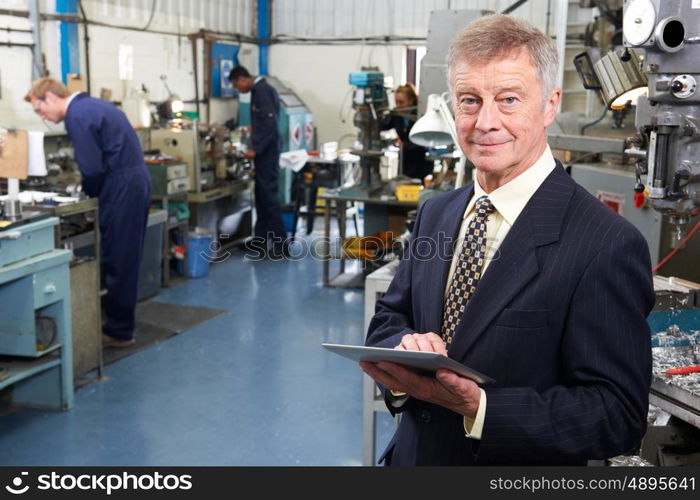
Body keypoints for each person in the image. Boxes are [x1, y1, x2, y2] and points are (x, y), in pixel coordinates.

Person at [361, 14, 654, 466]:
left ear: (550, 104)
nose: (485, 123)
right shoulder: (437, 213)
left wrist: (480, 408)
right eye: (470, 100)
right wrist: (402, 361)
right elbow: (390, 316)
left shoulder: (606, 243)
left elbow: (616, 415)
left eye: (509, 99)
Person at [26, 78, 152, 348]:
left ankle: (120, 331)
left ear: (49, 97)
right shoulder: (93, 106)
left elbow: (92, 169)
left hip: (121, 185)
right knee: (122, 255)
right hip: (131, 180)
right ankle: (118, 322)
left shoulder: (77, 116)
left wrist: (89, 193)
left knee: (119, 258)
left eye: (40, 110)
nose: (43, 117)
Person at [229, 66, 289, 258]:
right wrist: (251, 128)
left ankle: (281, 245)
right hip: (266, 150)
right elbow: (264, 120)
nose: (238, 89)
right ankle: (260, 241)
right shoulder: (259, 90)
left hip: (268, 152)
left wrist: (255, 149)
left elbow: (270, 124)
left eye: (236, 85)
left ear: (242, 79)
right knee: (261, 197)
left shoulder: (262, 90)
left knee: (268, 198)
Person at [382, 83, 434, 181]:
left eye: (401, 102)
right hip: (403, 161)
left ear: (411, 101)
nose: (398, 105)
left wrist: (404, 144)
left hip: (419, 162)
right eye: (396, 102)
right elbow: (384, 128)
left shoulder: (421, 115)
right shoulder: (396, 115)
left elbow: (423, 141)